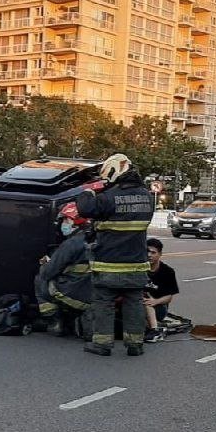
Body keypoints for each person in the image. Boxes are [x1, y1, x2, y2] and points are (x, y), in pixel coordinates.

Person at [76, 153, 154, 357]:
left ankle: (102, 344)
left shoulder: (109, 197)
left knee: (104, 303)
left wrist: (88, 191)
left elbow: (85, 209)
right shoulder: (147, 197)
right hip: (136, 265)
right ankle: (135, 344)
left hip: (109, 264)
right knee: (134, 302)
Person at [34, 201, 92, 336]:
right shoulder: (99, 239)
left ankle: (54, 322)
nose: (63, 224)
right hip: (99, 295)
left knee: (40, 279)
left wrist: (46, 264)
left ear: (76, 222)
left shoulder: (71, 244)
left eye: (66, 220)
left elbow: (48, 272)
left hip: (74, 293)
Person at [143, 237, 179, 343]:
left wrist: (155, 301)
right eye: (147, 252)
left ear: (160, 254)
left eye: (153, 252)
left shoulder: (168, 272)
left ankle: (155, 330)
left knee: (146, 303)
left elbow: (169, 297)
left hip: (159, 307)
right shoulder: (139, 268)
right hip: (138, 303)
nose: (149, 255)